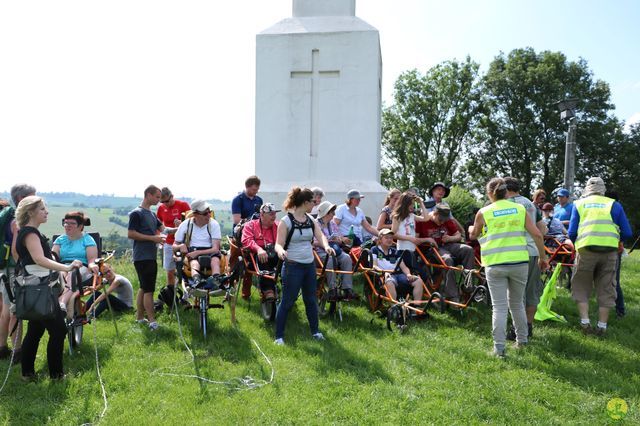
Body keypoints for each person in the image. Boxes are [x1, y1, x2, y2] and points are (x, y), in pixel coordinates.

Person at [469, 178, 547, 358]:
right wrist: (543, 257)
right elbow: (537, 234)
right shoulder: (520, 209)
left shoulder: (484, 211)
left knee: (499, 307)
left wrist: (472, 228)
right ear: (506, 192)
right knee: (517, 303)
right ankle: (522, 340)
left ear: (489, 194)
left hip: (495, 263)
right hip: (519, 262)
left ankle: (499, 349)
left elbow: (474, 235)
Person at [15, 196, 83, 380]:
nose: (47, 212)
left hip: (37, 289)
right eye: (43, 209)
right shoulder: (30, 233)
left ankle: (27, 374)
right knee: (59, 331)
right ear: (31, 212)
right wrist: (67, 268)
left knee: (35, 330)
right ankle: (56, 375)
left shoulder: (28, 232)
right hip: (41, 290)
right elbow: (39, 259)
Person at [568, 177, 632, 336]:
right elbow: (628, 232)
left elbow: (571, 232)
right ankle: (602, 326)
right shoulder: (614, 205)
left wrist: (578, 243)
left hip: (586, 250)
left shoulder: (579, 204)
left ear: (586, 189)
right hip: (609, 252)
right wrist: (617, 239)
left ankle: (585, 323)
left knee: (581, 285)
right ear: (603, 189)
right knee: (607, 287)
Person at [274, 187, 335, 345]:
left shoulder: (310, 220)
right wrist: (281, 252)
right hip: (292, 266)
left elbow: (320, 236)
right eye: (313, 202)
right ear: (305, 202)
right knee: (287, 301)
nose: (315, 205)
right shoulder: (285, 221)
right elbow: (278, 244)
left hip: (309, 267)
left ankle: (315, 332)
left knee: (311, 300)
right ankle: (279, 336)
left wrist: (326, 246)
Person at [504, 177, 547, 339]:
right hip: (534, 252)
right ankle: (528, 327)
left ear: (505, 189)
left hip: (515, 253)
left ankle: (517, 330)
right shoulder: (530, 204)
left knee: (516, 295)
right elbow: (542, 229)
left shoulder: (505, 204)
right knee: (531, 293)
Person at [0, 184, 35, 361]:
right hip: (14, 269)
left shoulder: (9, 217)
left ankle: (2, 348)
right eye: (33, 197)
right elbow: (16, 250)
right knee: (15, 311)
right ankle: (17, 351)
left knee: (6, 310)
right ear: (22, 199)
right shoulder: (18, 221)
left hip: (5, 269)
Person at [416, 203, 475, 303]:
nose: (442, 222)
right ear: (435, 213)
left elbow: (458, 236)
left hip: (447, 245)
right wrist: (427, 239)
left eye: (444, 220)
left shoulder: (448, 220)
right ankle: (452, 295)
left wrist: (450, 238)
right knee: (447, 259)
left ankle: (468, 286)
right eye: (440, 219)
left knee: (468, 249)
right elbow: (416, 239)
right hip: (431, 248)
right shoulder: (423, 220)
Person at [128, 185, 165, 331]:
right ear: (148, 195)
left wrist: (180, 226)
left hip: (149, 256)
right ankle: (152, 321)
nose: (159, 200)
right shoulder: (136, 213)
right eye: (157, 197)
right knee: (149, 290)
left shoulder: (152, 214)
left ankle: (139, 318)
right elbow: (131, 234)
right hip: (142, 256)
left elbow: (164, 230)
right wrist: (153, 238)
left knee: (144, 287)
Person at [52, 211, 99, 318]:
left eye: (72, 223)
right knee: (60, 275)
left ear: (80, 226)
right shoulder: (60, 240)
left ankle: (62, 302)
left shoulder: (88, 239)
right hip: (63, 266)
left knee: (72, 273)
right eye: (66, 223)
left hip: (81, 267)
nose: (67, 226)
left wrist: (92, 265)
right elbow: (54, 257)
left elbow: (91, 259)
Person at [173, 200, 222, 287]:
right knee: (194, 263)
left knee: (215, 261)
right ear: (195, 214)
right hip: (193, 250)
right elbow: (174, 246)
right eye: (205, 214)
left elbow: (215, 248)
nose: (209, 215)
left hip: (209, 250)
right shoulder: (186, 224)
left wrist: (197, 253)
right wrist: (181, 245)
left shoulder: (214, 224)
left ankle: (216, 280)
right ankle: (197, 280)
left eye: (209, 212)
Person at [314, 201, 355, 299]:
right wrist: (327, 242)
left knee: (347, 258)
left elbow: (339, 237)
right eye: (332, 212)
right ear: (326, 213)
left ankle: (347, 289)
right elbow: (312, 242)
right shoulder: (315, 224)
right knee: (330, 258)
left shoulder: (332, 224)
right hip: (319, 253)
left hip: (334, 250)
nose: (334, 215)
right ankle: (332, 289)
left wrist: (340, 240)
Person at [231, 175, 263, 299]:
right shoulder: (238, 200)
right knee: (233, 263)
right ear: (247, 187)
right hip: (239, 235)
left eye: (257, 189)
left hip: (254, 236)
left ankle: (246, 294)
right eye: (254, 189)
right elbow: (237, 219)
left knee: (250, 264)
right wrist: (252, 221)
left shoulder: (259, 200)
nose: (256, 192)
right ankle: (230, 290)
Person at [371, 229, 424, 303]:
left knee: (418, 281)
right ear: (380, 239)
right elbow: (374, 266)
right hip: (385, 275)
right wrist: (384, 272)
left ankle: (416, 307)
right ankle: (394, 307)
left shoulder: (395, 251)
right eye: (386, 237)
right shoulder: (374, 250)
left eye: (391, 238)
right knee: (389, 283)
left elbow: (403, 266)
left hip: (399, 274)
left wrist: (408, 274)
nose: (389, 240)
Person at [241, 203, 280, 300]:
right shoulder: (250, 225)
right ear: (262, 214)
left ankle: (288, 288)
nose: (274, 216)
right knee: (263, 257)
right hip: (255, 255)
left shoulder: (278, 225)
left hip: (275, 253)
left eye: (275, 213)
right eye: (271, 214)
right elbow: (246, 240)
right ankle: (268, 291)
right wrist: (259, 249)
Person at [156, 187, 190, 287]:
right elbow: (157, 225)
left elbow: (192, 222)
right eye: (162, 201)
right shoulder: (161, 208)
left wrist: (182, 223)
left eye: (167, 200)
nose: (165, 203)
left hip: (184, 243)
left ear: (172, 196)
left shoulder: (183, 205)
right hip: (169, 243)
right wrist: (159, 237)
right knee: (170, 271)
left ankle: (186, 292)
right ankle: (171, 293)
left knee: (186, 269)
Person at [391, 192, 430, 268]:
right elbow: (393, 234)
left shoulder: (411, 215)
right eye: (411, 204)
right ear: (405, 204)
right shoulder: (397, 217)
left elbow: (426, 218)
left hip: (412, 249)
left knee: (417, 273)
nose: (412, 206)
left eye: (413, 204)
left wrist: (421, 203)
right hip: (402, 250)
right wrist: (409, 238)